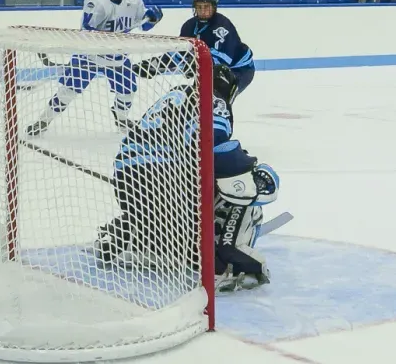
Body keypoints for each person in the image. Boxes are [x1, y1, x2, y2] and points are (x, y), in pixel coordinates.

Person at [96, 63, 280, 292]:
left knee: (189, 248)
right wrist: (247, 164)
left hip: (126, 178)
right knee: (235, 188)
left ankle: (132, 233)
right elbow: (215, 147)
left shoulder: (179, 93)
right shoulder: (214, 101)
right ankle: (225, 261)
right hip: (162, 178)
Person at [26, 0, 164, 136]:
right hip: (89, 57)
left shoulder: (134, 0)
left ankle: (121, 119)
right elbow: (87, 31)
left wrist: (153, 20)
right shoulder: (95, 1)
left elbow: (144, 27)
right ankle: (43, 121)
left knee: (128, 92)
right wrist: (106, 38)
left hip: (118, 57)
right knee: (68, 92)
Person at [137, 0, 256, 102]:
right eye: (199, 7)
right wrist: (153, 65)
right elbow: (180, 54)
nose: (203, 11)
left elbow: (223, 60)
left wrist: (195, 64)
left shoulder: (222, 26)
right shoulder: (189, 26)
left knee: (219, 99)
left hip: (239, 69)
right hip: (208, 68)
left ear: (214, 7)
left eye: (206, 7)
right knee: (198, 101)